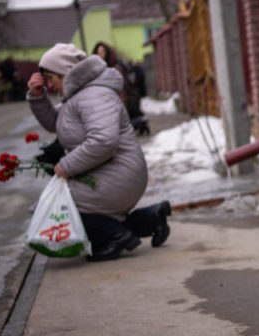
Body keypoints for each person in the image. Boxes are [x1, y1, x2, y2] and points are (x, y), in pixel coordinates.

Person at [26, 43, 171, 261]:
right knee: (88, 212)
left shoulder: (94, 95)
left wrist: (66, 165)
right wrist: (38, 97)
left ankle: (117, 237)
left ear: (64, 73)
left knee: (66, 205)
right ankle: (150, 219)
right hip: (109, 172)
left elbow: (104, 141)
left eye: (50, 78)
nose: (49, 84)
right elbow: (59, 124)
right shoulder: (78, 96)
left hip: (121, 173)